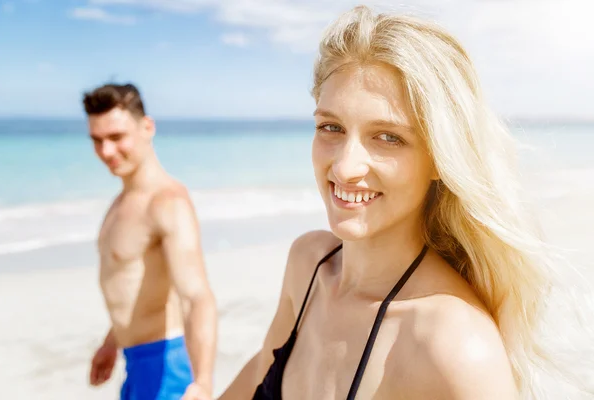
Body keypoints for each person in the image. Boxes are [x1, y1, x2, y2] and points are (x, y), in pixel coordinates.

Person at [218, 5, 592, 400]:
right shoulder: (308, 264)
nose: (345, 167)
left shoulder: (454, 347)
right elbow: (260, 374)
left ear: (438, 159)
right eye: (331, 127)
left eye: (388, 137)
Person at [83, 83, 217, 400]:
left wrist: (203, 382)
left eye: (116, 137)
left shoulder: (167, 202)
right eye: (97, 140)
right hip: (135, 363)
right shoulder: (121, 203)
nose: (106, 152)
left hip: (166, 366)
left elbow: (197, 295)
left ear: (147, 127)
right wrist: (111, 341)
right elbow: (135, 287)